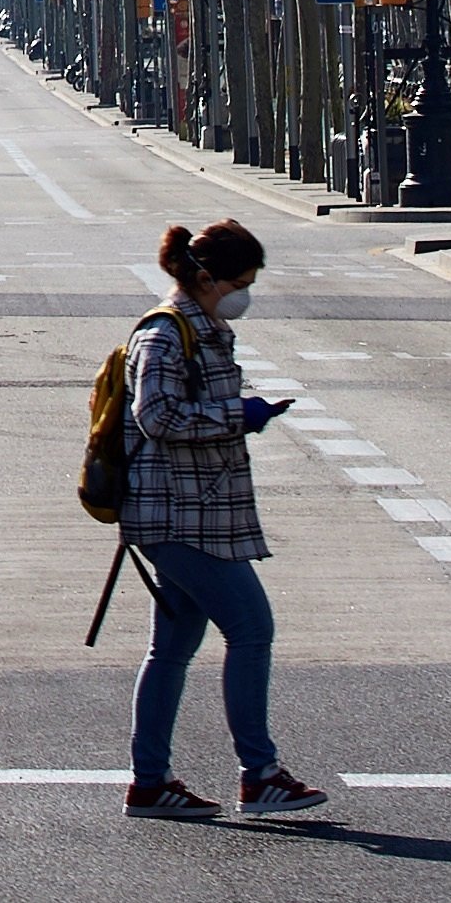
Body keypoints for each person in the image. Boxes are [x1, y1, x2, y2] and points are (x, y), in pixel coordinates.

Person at [117, 219, 326, 820]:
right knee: (252, 629)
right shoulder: (165, 333)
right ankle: (259, 775)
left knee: (173, 649)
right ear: (205, 278)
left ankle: (150, 783)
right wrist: (237, 414)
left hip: (193, 513)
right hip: (179, 517)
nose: (246, 293)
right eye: (240, 282)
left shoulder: (204, 329)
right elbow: (157, 416)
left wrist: (240, 412)